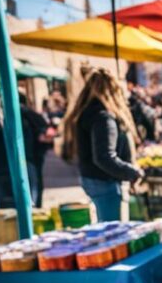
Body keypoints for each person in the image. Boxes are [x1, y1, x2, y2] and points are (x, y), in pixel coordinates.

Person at [61, 68, 143, 222]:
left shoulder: (87, 112)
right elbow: (104, 156)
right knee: (112, 233)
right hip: (104, 181)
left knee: (106, 228)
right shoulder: (102, 117)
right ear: (112, 90)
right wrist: (131, 172)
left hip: (93, 178)